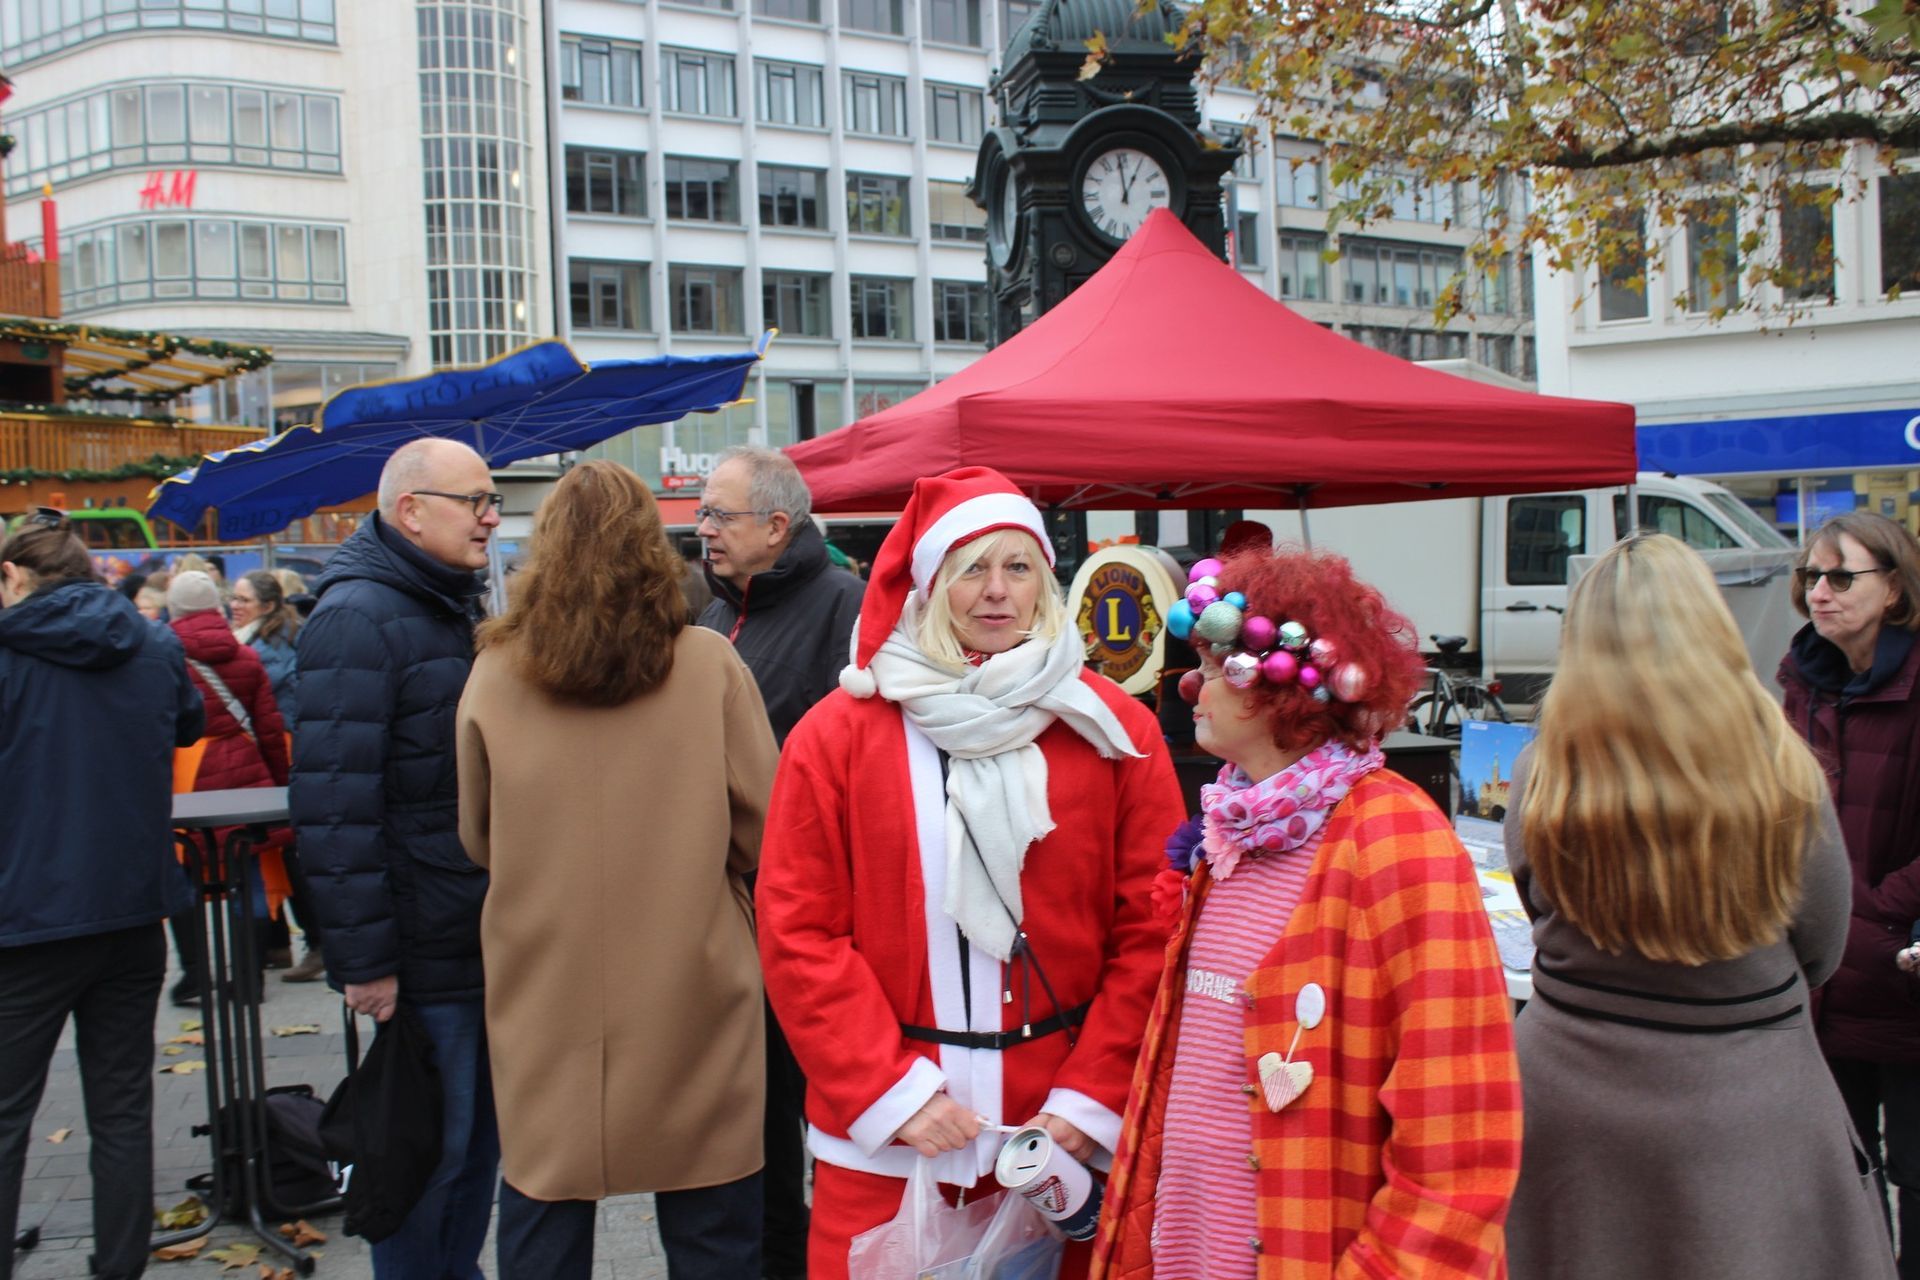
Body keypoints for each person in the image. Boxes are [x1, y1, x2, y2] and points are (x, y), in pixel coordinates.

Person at [758, 467, 1184, 1280]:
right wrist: (892, 1093)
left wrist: (1090, 1097)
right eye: (971, 569)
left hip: (1056, 1141)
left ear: (1043, 581)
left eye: (1017, 567)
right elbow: (799, 929)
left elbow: (1154, 927)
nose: (996, 591)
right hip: (889, 1146)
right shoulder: (838, 735)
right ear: (931, 585)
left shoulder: (1113, 730)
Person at [1094, 546, 1520, 1279]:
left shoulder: (1396, 839)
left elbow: (1460, 1140)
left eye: (1212, 668)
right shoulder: (1231, 826)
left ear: (1279, 686)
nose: (1190, 687)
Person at [1502, 532, 1892, 1278]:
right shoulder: (1784, 768)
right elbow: (1821, 948)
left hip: (1571, 1096)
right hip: (1748, 1098)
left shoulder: (1542, 770)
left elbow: (1536, 905)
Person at [456, 461, 780, 1279]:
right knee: (713, 1219)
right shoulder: (708, 664)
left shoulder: (495, 670)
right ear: (651, 547)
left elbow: (479, 835)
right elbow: (765, 828)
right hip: (691, 977)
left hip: (546, 979)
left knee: (542, 1200)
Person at [291, 437, 502, 1279]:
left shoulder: (437, 601)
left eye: (492, 500)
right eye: (475, 500)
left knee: (471, 1155)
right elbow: (333, 808)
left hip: (465, 932)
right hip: (419, 953)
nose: (492, 517)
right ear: (410, 512)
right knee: (428, 1161)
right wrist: (366, 961)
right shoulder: (358, 617)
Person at [0, 510, 204, 1280]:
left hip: (26, 916)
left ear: (15, 576)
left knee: (7, 1116)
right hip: (131, 906)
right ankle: (120, 1266)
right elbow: (187, 723)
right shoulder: (152, 644)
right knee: (122, 1107)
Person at [697, 444, 863, 1278]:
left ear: (774, 525)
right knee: (752, 1121)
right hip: (729, 912)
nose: (703, 529)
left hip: (817, 918)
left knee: (822, 1113)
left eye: (717, 515)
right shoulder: (710, 613)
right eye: (702, 513)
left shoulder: (844, 607)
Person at [1778, 510, 1920, 1277]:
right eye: (1811, 576)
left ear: (1894, 588)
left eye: (1841, 576)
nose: (1820, 592)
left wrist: (1871, 919)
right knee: (1843, 1176)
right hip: (1826, 974)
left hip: (1901, 969)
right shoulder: (1801, 681)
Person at [168, 569, 291, 1003]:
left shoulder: (165, 657)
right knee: (247, 870)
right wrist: (280, 785)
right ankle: (249, 978)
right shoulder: (246, 656)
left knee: (185, 872)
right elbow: (270, 728)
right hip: (246, 767)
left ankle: (196, 974)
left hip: (187, 773)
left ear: (175, 609)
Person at [232, 569, 325, 983]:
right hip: (276, 744)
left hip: (283, 747)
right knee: (272, 846)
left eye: (243, 600)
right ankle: (279, 943)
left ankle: (316, 942)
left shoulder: (270, 645)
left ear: (267, 605)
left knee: (285, 848)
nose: (235, 606)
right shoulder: (267, 635)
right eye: (234, 598)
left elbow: (266, 692)